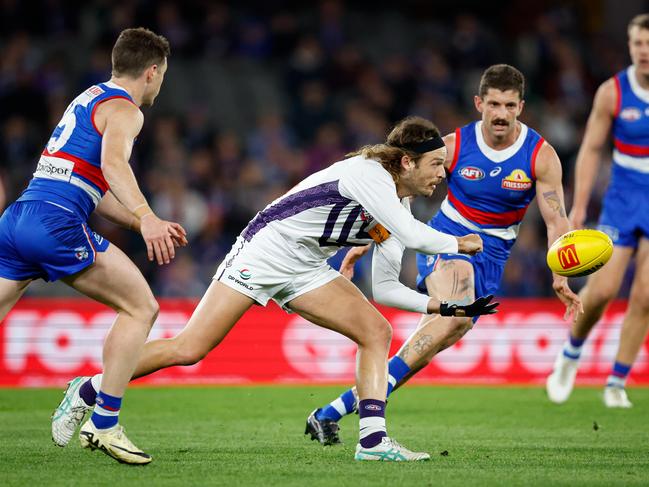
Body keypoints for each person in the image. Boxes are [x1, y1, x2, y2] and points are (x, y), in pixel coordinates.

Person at [55, 116, 498, 462]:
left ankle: (373, 440)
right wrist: (460, 241)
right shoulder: (370, 175)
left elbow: (384, 287)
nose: (443, 173)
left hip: (307, 264)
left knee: (375, 331)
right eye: (437, 163)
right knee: (190, 348)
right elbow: (419, 237)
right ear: (407, 161)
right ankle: (91, 388)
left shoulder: (396, 202)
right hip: (265, 251)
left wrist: (442, 306)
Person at [306, 64, 581, 445]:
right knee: (458, 312)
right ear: (478, 103)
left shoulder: (541, 155)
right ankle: (370, 433)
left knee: (432, 342)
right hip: (447, 240)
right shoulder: (453, 146)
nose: (501, 114)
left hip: (493, 256)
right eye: (494, 104)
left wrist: (561, 272)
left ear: (521, 106)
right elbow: (398, 191)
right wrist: (364, 242)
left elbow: (557, 219)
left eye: (510, 106)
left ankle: (330, 412)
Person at [0, 28, 187, 465]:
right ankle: (104, 423)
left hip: (18, 220)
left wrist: (143, 224)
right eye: (162, 76)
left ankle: (92, 402)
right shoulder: (126, 109)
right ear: (152, 72)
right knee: (142, 307)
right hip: (55, 223)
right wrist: (147, 214)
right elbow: (113, 165)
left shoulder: (87, 98)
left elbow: (94, 189)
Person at [546, 14, 649, 408]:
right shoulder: (613, 92)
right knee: (603, 288)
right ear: (630, 45)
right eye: (638, 43)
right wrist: (580, 206)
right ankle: (571, 353)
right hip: (624, 197)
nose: (644, 51)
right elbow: (590, 149)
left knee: (645, 296)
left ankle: (616, 381)